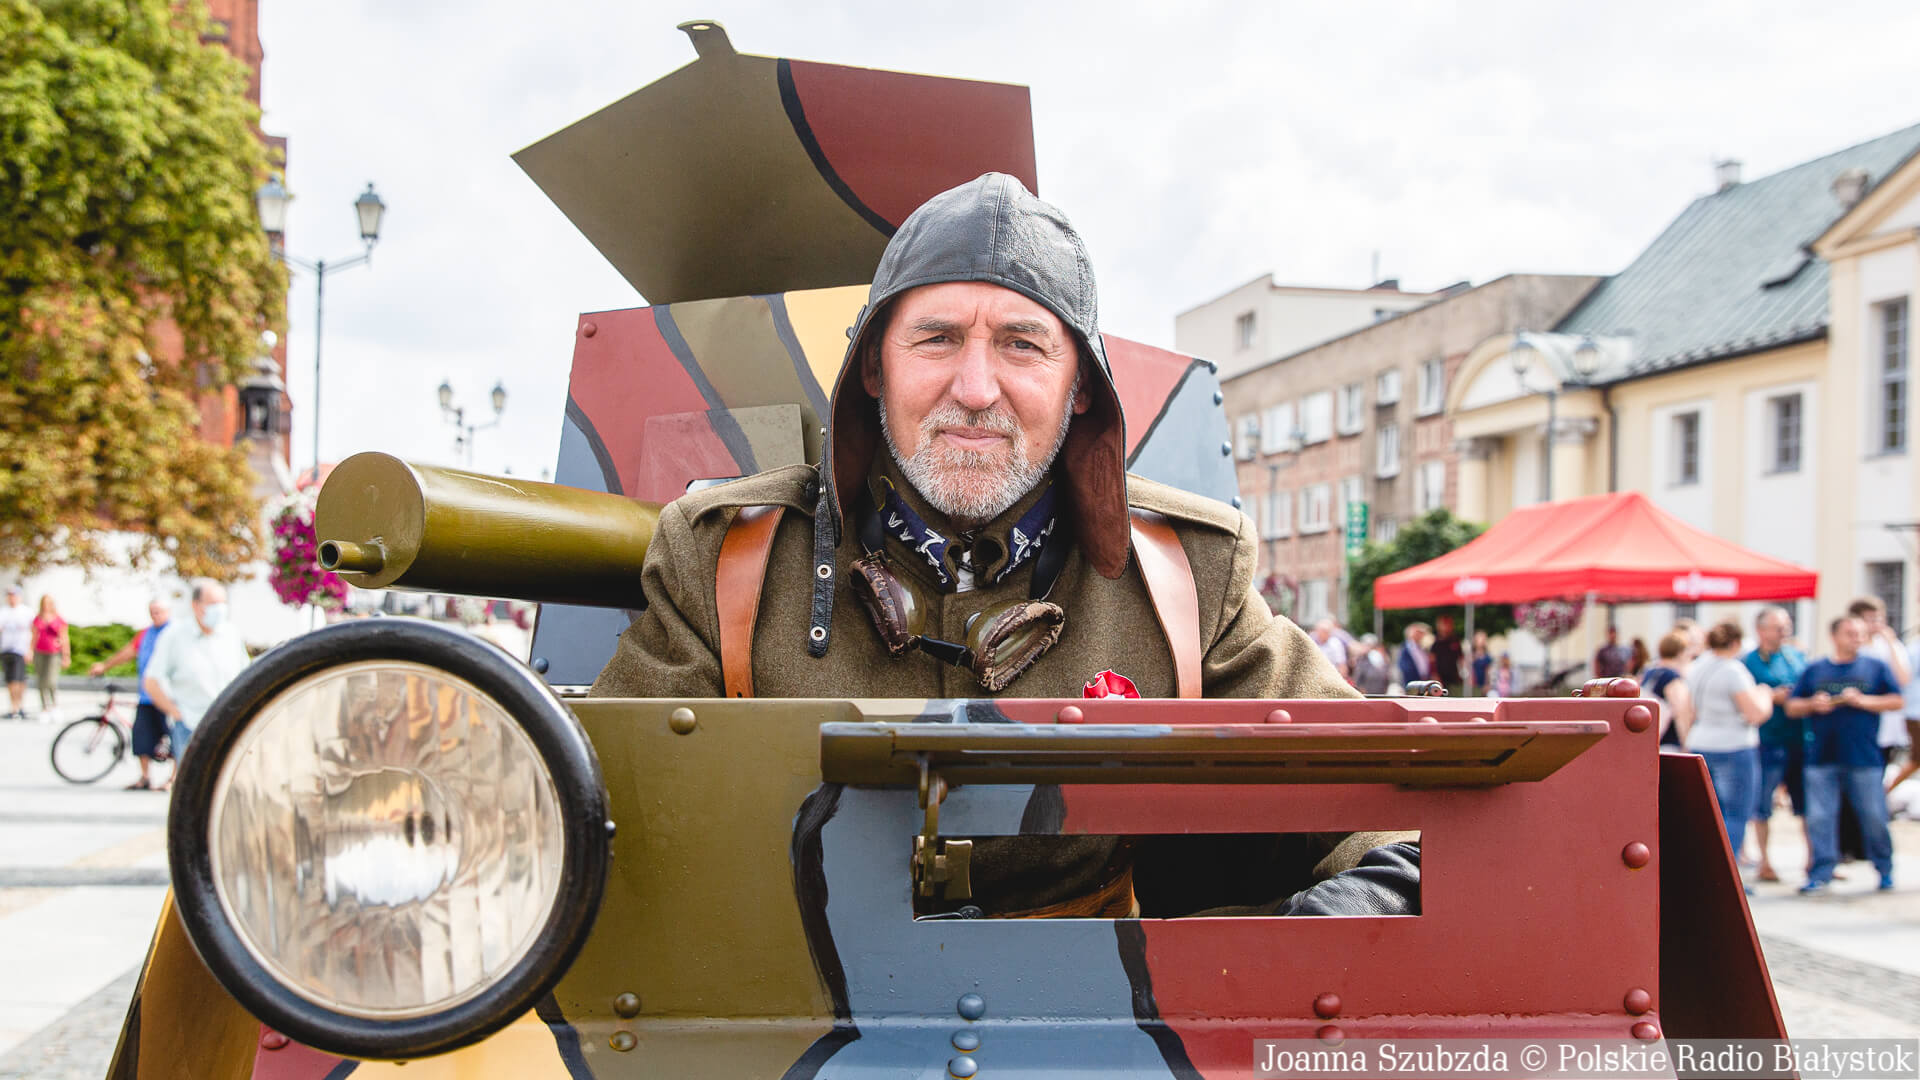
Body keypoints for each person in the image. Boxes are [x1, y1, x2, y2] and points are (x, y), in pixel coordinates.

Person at [590, 173, 1414, 919]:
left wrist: (1334, 924)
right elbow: (601, 824)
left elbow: (1390, 808)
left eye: (1022, 344)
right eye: (937, 339)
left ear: (1079, 384)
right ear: (874, 368)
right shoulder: (726, 560)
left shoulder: (1186, 576)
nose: (977, 389)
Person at [1788, 615, 1902, 894]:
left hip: (1864, 756)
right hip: (1821, 756)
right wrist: (1812, 704)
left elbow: (1897, 700)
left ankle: (1884, 869)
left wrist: (1863, 701)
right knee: (1820, 817)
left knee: (1873, 815)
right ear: (1835, 636)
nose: (1857, 638)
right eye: (1850, 633)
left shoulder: (1875, 666)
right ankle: (1821, 872)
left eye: (1860, 633)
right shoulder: (1815, 669)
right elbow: (1792, 706)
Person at [1684, 621, 1771, 863]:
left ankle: (1706, 867)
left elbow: (1690, 709)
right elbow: (1755, 714)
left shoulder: (1698, 666)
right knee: (1735, 814)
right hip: (1733, 745)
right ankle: (1728, 870)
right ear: (1736, 643)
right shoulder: (1733, 670)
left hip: (1701, 741)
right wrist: (1765, 696)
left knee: (1710, 816)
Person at [144, 582, 249, 777]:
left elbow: (246, 676)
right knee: (192, 783)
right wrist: (177, 714)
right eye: (213, 603)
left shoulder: (231, 634)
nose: (220, 609)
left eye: (223, 603)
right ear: (195, 605)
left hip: (228, 724)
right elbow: (151, 681)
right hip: (190, 725)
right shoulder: (175, 635)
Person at [1742, 606, 1808, 884]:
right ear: (1761, 630)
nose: (1784, 632)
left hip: (1798, 738)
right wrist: (1770, 696)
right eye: (1778, 627)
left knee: (1806, 804)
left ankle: (1813, 860)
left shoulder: (1796, 656)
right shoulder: (1749, 662)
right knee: (1762, 805)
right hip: (1767, 740)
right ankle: (1765, 861)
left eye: (1786, 627)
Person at [89, 598, 175, 790]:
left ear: (168, 612)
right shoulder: (146, 633)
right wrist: (105, 666)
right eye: (152, 612)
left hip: (169, 697)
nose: (155, 615)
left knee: (174, 738)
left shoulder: (175, 633)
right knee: (141, 736)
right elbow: (128, 652)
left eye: (159, 611)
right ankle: (145, 777)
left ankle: (173, 779)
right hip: (146, 696)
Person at [1641, 631, 1694, 747]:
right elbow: (1681, 713)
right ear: (1680, 653)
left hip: (1652, 739)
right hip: (1669, 742)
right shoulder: (1672, 678)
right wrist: (1686, 743)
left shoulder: (1650, 672)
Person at [30, 594, 70, 723]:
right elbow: (34, 636)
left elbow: (64, 638)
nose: (46, 605)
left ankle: (55, 706)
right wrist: (30, 651)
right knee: (41, 681)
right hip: (39, 652)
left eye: (48, 603)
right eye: (44, 603)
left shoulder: (58, 619)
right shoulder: (37, 619)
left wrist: (66, 655)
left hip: (54, 653)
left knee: (51, 680)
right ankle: (44, 708)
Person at [0, 586, 31, 720]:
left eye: (14, 595)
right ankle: (14, 707)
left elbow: (34, 631)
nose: (12, 598)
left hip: (21, 649)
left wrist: (30, 650)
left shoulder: (26, 612)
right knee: (10, 680)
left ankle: (19, 706)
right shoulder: (3, 611)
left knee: (19, 679)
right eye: (10, 595)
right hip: (6, 649)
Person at [1430, 614, 1464, 693]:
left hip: (1454, 678)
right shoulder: (1435, 643)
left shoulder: (1455, 641)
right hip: (1440, 679)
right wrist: (1435, 676)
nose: (1446, 627)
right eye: (1444, 624)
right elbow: (1432, 662)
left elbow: (1461, 659)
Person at [1395, 622, 1433, 689]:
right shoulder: (1406, 648)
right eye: (1418, 633)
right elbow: (1405, 668)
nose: (1421, 635)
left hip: (1423, 683)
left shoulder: (1422, 648)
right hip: (1413, 684)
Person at [1469, 629, 1492, 695]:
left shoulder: (1487, 657)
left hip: (1482, 686)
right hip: (1472, 685)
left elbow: (1488, 672)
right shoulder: (1471, 655)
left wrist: (1487, 684)